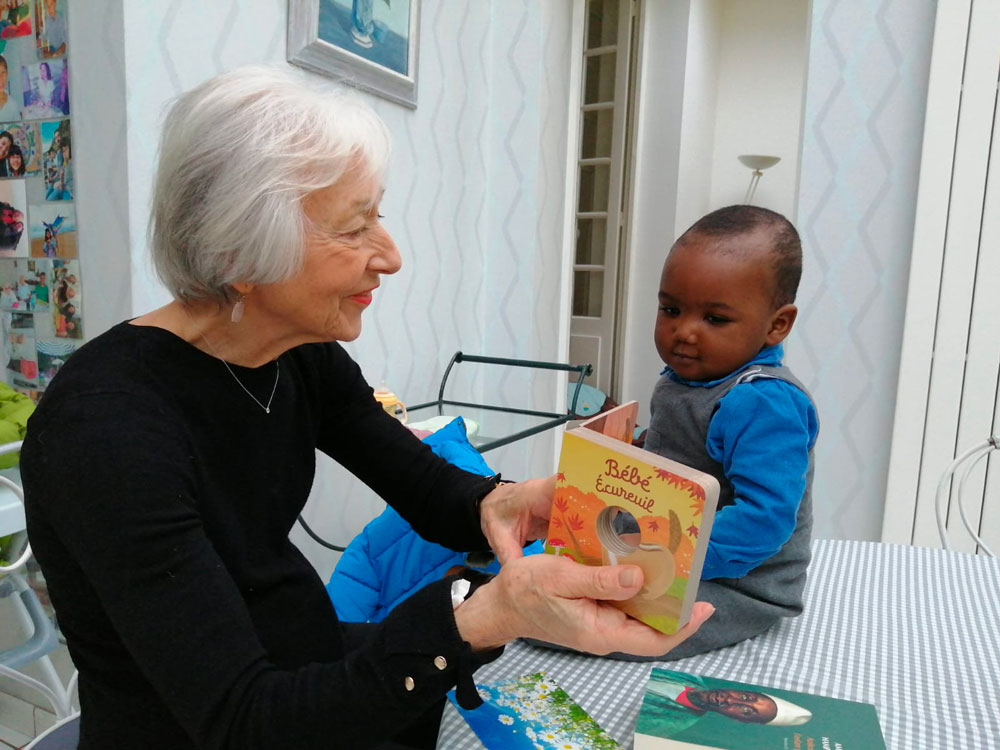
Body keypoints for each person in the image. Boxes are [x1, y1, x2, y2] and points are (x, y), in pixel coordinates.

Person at [20, 65, 713, 750]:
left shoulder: (295, 354)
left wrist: (502, 501)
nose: (391, 256)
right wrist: (480, 618)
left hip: (302, 663)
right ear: (239, 251)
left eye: (377, 216)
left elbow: (422, 482)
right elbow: (244, 721)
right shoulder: (104, 431)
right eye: (354, 230)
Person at [642, 204, 819, 659]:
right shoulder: (688, 377)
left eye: (714, 319)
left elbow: (763, 520)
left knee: (594, 621)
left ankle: (484, 602)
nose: (684, 332)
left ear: (777, 325)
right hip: (666, 541)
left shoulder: (763, 403)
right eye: (671, 309)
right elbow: (679, 449)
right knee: (556, 566)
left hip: (736, 581)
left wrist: (662, 561)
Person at [635, 670, 811, 737]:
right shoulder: (689, 676)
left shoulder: (667, 725)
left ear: (739, 720)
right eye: (744, 698)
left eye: (745, 710)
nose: (729, 700)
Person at [0, 54, 20, 121]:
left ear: (7, 73)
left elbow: (17, 130)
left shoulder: (13, 105)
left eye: (3, 72)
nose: (1, 78)